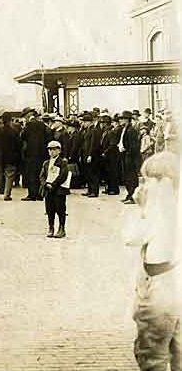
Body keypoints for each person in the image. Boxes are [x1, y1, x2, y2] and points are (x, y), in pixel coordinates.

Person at [123, 151, 180, 371]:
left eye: (149, 180)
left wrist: (142, 208)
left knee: (152, 356)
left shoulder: (158, 211)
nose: (144, 185)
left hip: (159, 289)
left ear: (165, 182)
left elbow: (131, 237)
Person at [39, 140, 70, 238]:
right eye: (50, 150)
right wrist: (45, 184)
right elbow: (42, 175)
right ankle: (51, 227)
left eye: (54, 150)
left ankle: (61, 228)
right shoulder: (46, 163)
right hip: (48, 190)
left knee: (60, 209)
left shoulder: (62, 162)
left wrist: (54, 184)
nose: (52, 152)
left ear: (59, 151)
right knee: (50, 210)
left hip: (58, 190)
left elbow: (63, 175)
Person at [0, 112, 21, 201]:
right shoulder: (14, 131)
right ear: (10, 120)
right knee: (9, 177)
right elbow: (19, 145)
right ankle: (7, 195)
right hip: (10, 157)